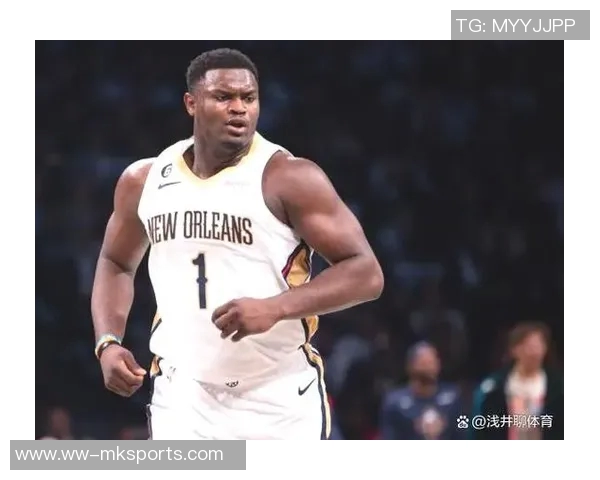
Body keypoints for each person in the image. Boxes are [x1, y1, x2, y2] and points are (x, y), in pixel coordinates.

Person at [90, 48, 384, 440]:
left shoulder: (289, 177)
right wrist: (107, 342)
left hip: (276, 396)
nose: (239, 109)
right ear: (191, 103)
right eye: (223, 97)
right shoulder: (144, 180)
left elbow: (366, 273)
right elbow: (115, 262)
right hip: (183, 395)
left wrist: (275, 308)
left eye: (249, 98)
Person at [470, 322, 564, 440]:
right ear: (514, 350)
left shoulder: (558, 386)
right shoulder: (494, 386)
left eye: (538, 346)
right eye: (529, 346)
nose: (534, 352)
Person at [379, 342, 465, 440]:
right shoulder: (394, 403)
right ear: (411, 366)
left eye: (433, 361)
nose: (431, 367)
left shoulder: (453, 396)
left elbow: (463, 429)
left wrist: (447, 425)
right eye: (425, 363)